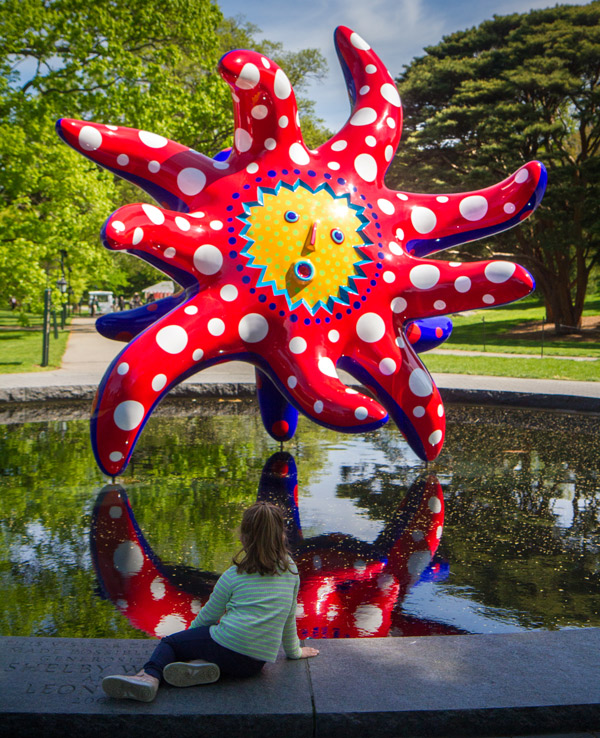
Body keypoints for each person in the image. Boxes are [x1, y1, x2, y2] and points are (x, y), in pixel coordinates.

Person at [101, 501, 319, 702]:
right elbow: (289, 617)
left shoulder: (234, 575)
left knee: (170, 643)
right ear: (281, 536)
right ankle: (201, 667)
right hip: (254, 664)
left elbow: (207, 618)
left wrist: (186, 641)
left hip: (228, 643)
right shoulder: (291, 571)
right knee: (218, 652)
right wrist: (295, 652)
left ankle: (148, 678)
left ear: (244, 536)